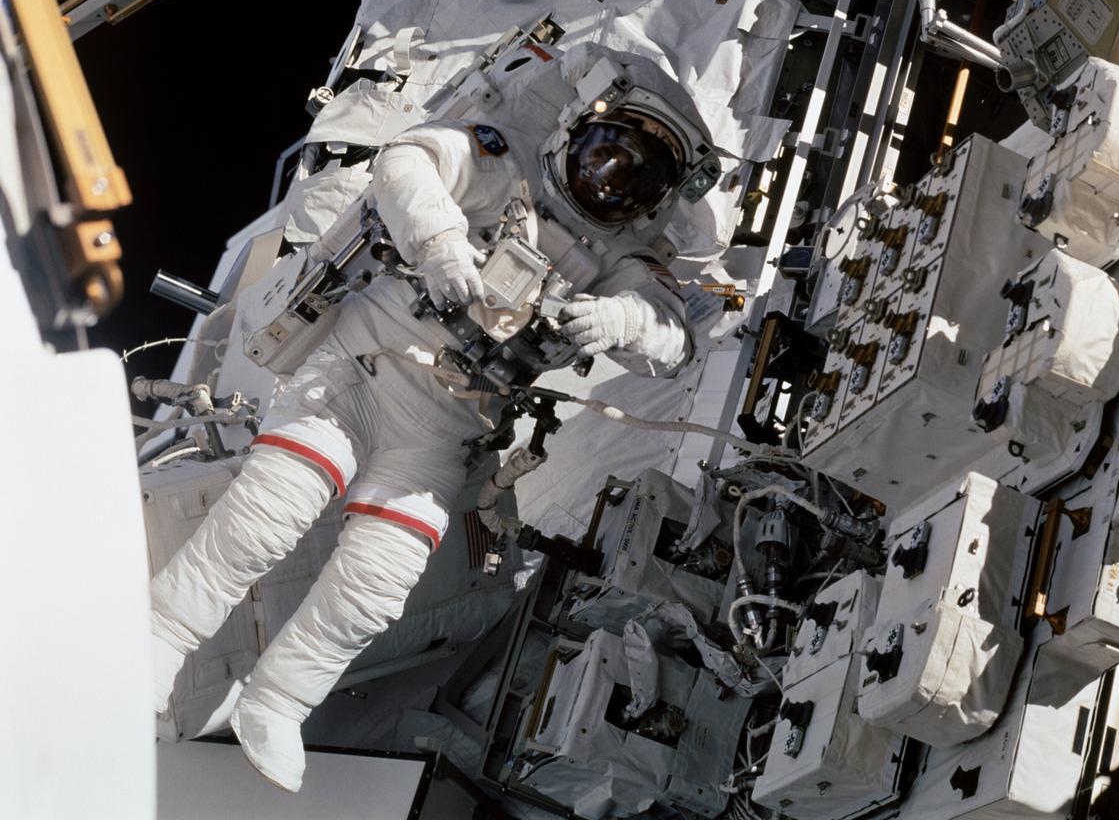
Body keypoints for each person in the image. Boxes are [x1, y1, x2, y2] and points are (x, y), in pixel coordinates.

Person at [150, 47, 716, 792]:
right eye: (605, 154)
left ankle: (279, 702)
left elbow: (674, 338)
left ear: (651, 200)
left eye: (631, 177)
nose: (607, 179)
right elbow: (406, 163)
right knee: (267, 518)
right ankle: (157, 645)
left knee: (377, 583)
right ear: (574, 131)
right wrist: (443, 243)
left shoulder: (621, 259)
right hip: (364, 364)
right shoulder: (500, 159)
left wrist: (619, 320)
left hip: (446, 424)